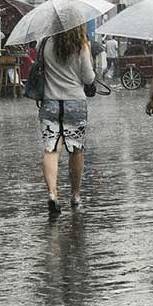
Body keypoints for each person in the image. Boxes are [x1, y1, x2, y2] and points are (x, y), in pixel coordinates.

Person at [40, 23, 96, 215]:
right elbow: (88, 78)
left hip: (50, 102)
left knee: (51, 149)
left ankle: (53, 194)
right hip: (75, 103)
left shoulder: (45, 43)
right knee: (76, 150)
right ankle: (75, 195)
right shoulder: (80, 45)